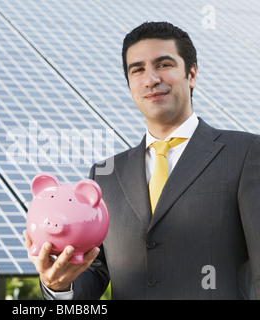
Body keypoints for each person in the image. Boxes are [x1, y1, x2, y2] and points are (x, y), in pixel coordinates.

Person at [24, 21, 260, 299]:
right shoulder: (105, 175)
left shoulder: (246, 153)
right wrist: (58, 286)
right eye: (137, 70)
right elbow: (94, 269)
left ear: (191, 74)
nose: (151, 79)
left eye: (163, 65)